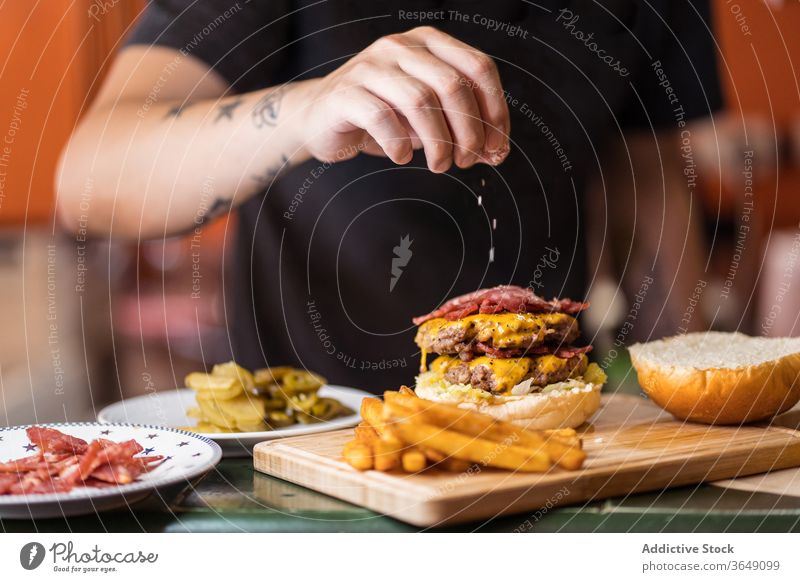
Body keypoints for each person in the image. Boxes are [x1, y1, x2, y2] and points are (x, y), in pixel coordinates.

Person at [56, 1, 721, 392]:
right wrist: (307, 110)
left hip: (548, 423)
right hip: (306, 442)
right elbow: (90, 179)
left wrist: (686, 384)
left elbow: (650, 175)